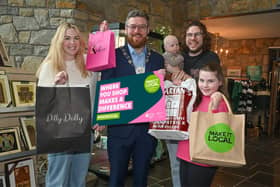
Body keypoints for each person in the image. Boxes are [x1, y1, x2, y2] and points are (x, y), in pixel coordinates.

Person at [101, 9, 164, 187]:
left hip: (146, 133)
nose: (137, 31)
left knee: (141, 179)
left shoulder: (158, 60)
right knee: (115, 180)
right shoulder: (112, 56)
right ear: (126, 29)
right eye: (133, 26)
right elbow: (106, 87)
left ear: (148, 29)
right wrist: (101, 39)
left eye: (142, 27)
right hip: (119, 131)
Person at [36, 22, 101, 187]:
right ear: (59, 41)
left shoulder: (89, 64)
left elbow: (102, 91)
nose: (72, 42)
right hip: (60, 134)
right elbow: (43, 105)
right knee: (58, 181)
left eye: (76, 38)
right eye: (67, 38)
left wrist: (102, 37)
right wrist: (56, 85)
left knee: (79, 180)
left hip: (85, 132)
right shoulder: (49, 66)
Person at [177, 62, 229, 187]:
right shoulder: (195, 96)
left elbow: (220, 129)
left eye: (210, 81)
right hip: (185, 152)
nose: (205, 85)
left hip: (203, 158)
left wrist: (216, 106)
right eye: (201, 80)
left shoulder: (219, 102)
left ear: (220, 82)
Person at [162, 35, 183, 187]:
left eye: (177, 44)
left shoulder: (180, 58)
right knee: (175, 161)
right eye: (172, 45)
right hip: (172, 107)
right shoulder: (165, 58)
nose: (175, 47)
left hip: (181, 103)